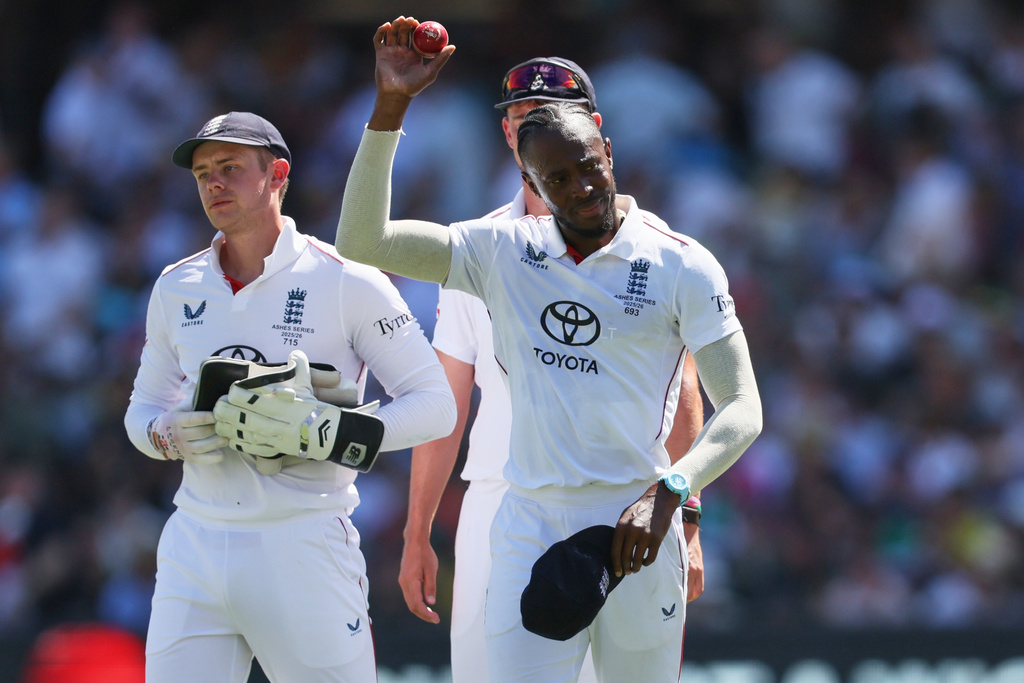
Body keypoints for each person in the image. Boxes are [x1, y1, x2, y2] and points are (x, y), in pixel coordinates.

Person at [397, 56, 707, 683]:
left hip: (624, 500)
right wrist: (417, 527)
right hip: (498, 499)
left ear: (592, 129)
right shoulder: (477, 248)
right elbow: (446, 398)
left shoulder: (655, 249)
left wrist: (687, 514)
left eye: (546, 116)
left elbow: (683, 390)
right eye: (517, 119)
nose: (527, 128)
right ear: (509, 137)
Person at [123, 110, 456, 682]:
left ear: (278, 174)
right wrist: (168, 434)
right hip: (193, 545)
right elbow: (142, 412)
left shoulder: (350, 280)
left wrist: (327, 431)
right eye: (203, 174)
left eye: (229, 168)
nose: (214, 184)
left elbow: (435, 404)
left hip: (306, 543)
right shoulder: (176, 285)